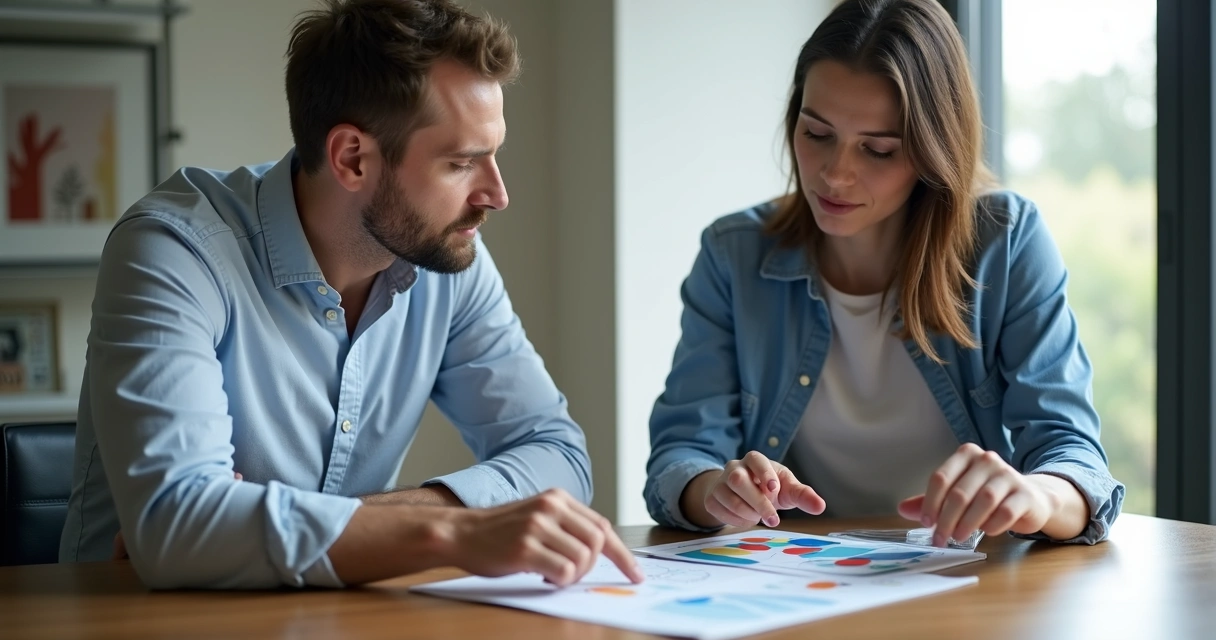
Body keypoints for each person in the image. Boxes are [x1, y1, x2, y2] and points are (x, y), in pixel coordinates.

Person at [60, 0, 642, 590]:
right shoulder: (175, 252)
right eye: (462, 162)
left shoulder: (449, 261)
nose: (497, 194)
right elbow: (181, 526)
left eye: (494, 156)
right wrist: (459, 533)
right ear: (352, 158)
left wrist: (262, 528)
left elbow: (559, 457)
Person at [644, 0, 1123, 547]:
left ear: (932, 152)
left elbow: (1073, 454)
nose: (835, 175)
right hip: (796, 577)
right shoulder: (734, 254)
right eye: (816, 134)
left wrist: (1036, 496)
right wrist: (716, 490)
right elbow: (680, 456)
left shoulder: (1006, 242)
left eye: (878, 150)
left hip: (965, 579)